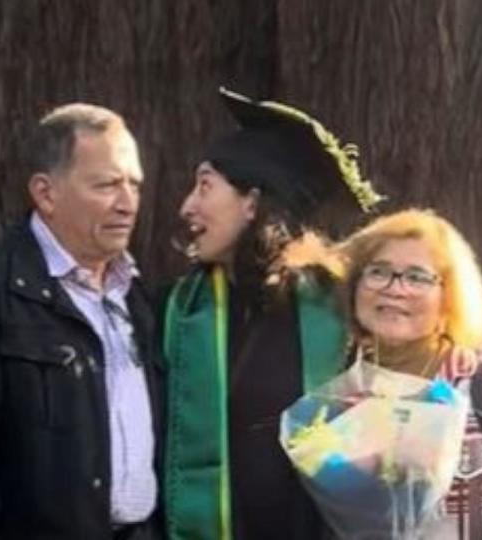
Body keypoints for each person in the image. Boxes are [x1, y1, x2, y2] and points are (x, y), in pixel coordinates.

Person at [0, 103, 164, 539]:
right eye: (108, 185)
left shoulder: (137, 295)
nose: (127, 203)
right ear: (46, 193)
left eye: (135, 185)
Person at [162, 88, 383, 540]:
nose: (187, 206)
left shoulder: (340, 309)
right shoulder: (174, 313)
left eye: (205, 185)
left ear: (251, 202)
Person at [336, 208, 482, 538]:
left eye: (417, 277)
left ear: (448, 300)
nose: (394, 289)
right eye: (378, 272)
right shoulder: (336, 397)